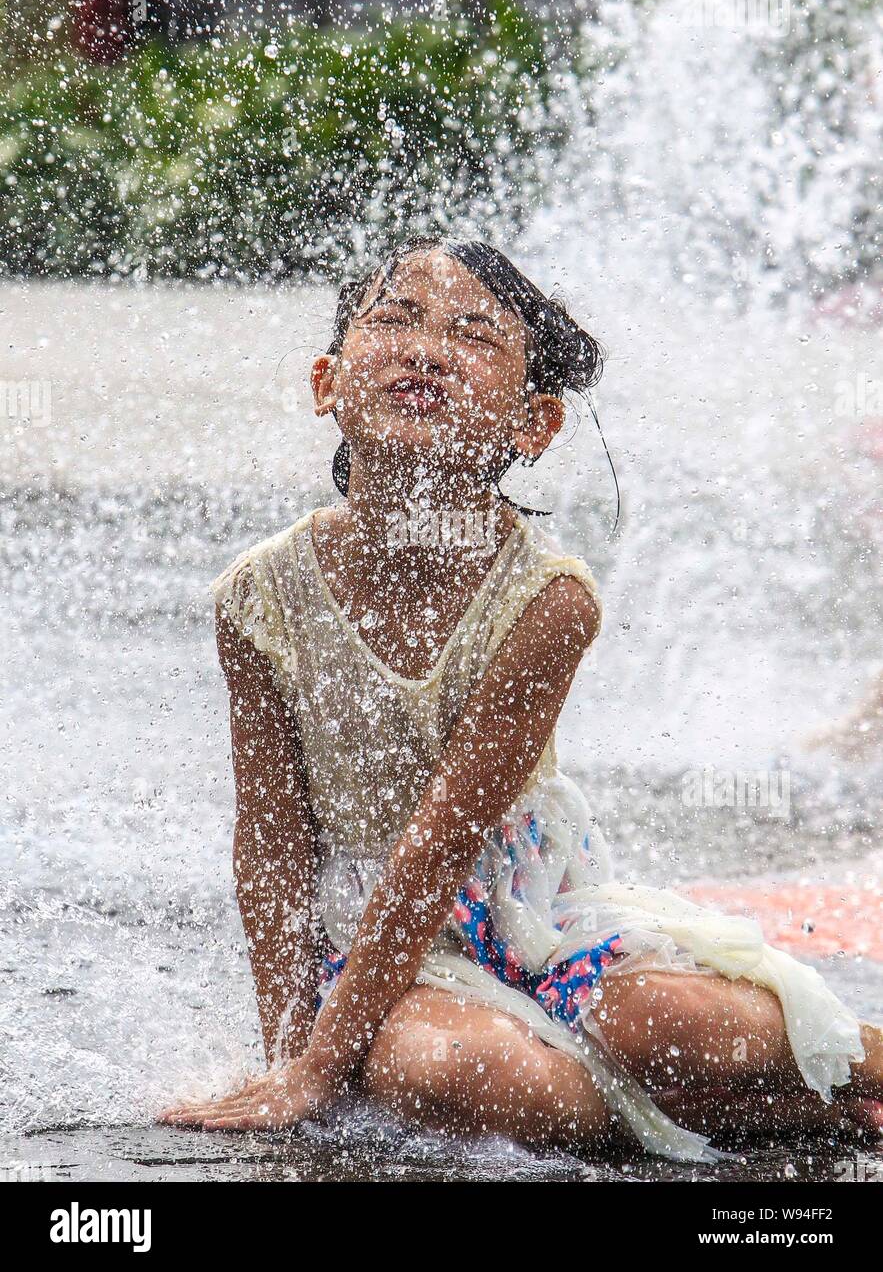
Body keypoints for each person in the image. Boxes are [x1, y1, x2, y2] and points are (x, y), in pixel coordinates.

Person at [159, 236, 883, 1160]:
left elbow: (442, 840)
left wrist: (313, 1072)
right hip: (380, 940)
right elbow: (269, 838)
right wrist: (294, 1059)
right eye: (394, 318)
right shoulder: (260, 595)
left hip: (534, 909)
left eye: (473, 335)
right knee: (443, 1072)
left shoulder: (544, 598)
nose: (426, 349)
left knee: (669, 1021)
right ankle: (708, 1118)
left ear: (534, 425)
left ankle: (853, 1066)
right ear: (324, 382)